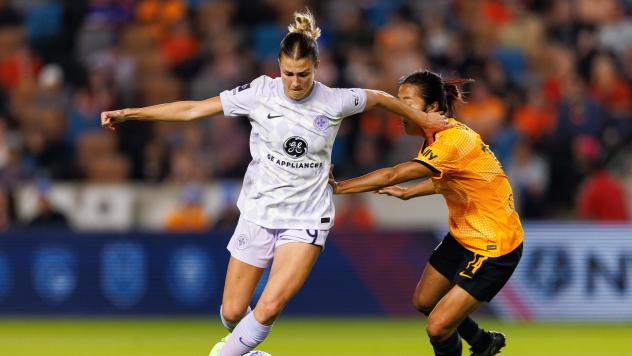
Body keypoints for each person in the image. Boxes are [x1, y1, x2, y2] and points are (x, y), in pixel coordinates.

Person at [100, 9, 450, 356]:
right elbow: (193, 109)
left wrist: (419, 117)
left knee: (267, 307)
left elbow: (379, 97)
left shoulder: (334, 100)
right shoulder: (259, 93)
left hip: (307, 219)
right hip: (258, 211)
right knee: (233, 313)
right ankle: (248, 352)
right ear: (277, 68)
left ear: (315, 67)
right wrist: (131, 113)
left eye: (303, 74)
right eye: (288, 74)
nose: (295, 82)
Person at [329, 70, 524, 356]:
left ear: (432, 108)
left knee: (438, 327)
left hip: (494, 245)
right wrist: (410, 193)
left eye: (407, 102)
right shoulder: (437, 137)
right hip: (464, 236)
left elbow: (393, 174)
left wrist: (338, 187)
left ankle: (479, 345)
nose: (399, 109)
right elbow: (452, 180)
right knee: (424, 301)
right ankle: (483, 342)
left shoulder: (452, 141)